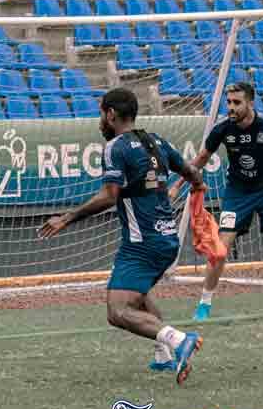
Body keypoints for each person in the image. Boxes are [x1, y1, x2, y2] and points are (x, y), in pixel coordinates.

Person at [39, 88, 205, 385]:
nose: (100, 120)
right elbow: (193, 173)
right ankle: (163, 354)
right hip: (165, 239)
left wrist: (67, 217)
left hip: (144, 245)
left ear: (111, 114)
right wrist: (192, 188)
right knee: (138, 292)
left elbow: (108, 196)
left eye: (101, 113)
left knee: (117, 311)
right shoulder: (157, 140)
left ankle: (179, 340)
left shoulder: (115, 147)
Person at [170, 82, 263, 321]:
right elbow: (201, 158)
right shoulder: (222, 129)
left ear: (250, 103)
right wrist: (177, 185)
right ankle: (204, 303)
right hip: (236, 193)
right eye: (228, 102)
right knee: (220, 250)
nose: (230, 107)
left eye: (236, 103)